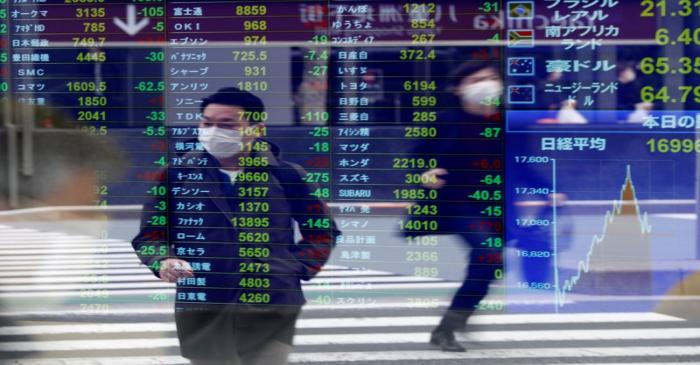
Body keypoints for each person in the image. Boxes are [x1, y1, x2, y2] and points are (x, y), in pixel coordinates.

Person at [131, 87, 339, 365]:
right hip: (204, 302)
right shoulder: (176, 175)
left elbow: (322, 231)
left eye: (227, 124)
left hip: (272, 302)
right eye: (207, 123)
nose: (214, 131)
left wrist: (294, 268)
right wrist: (163, 260)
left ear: (256, 129)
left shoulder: (286, 175)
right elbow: (151, 235)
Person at [407, 64, 504, 352]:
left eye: (491, 78)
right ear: (459, 88)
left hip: (497, 204)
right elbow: (417, 157)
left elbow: (522, 159)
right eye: (477, 79)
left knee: (490, 264)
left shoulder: (503, 121)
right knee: (488, 255)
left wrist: (549, 189)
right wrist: (426, 173)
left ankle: (450, 325)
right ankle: (451, 325)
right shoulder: (446, 120)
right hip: (458, 204)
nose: (486, 84)